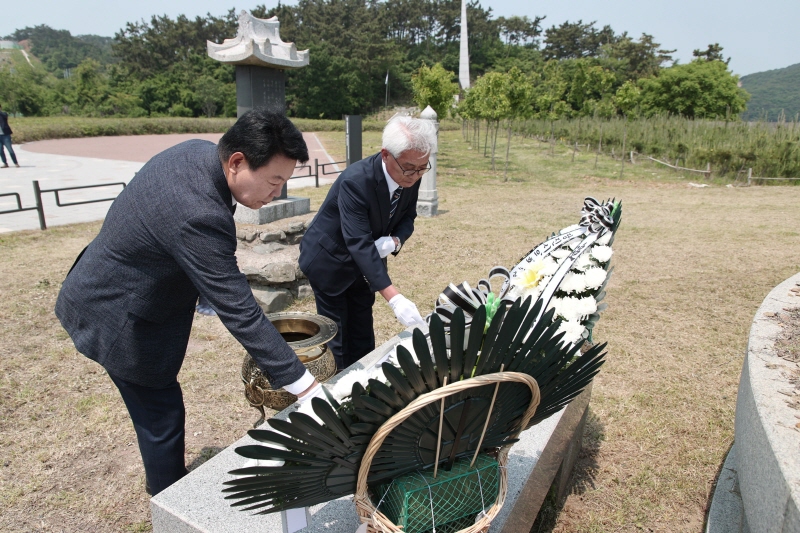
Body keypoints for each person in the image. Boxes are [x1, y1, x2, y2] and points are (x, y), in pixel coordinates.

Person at [55, 109, 323, 496]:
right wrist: (304, 386)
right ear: (237, 162)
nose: (277, 193)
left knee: (160, 406)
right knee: (160, 414)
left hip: (114, 282)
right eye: (274, 181)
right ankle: (169, 500)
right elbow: (239, 309)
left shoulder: (197, 153)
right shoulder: (199, 213)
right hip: (117, 313)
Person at [299, 115, 436, 371]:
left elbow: (408, 216)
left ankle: (363, 383)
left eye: (422, 168)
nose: (415, 176)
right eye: (409, 168)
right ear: (386, 155)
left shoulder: (409, 175)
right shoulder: (356, 181)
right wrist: (395, 298)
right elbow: (358, 242)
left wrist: (395, 240)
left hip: (366, 265)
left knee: (362, 333)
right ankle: (338, 388)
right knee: (337, 337)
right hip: (330, 260)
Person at [0, 104, 20, 168]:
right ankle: (5, 163)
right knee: (0, 151)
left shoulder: (3, 114)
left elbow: (4, 116)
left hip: (5, 136)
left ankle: (16, 163)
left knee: (10, 150)